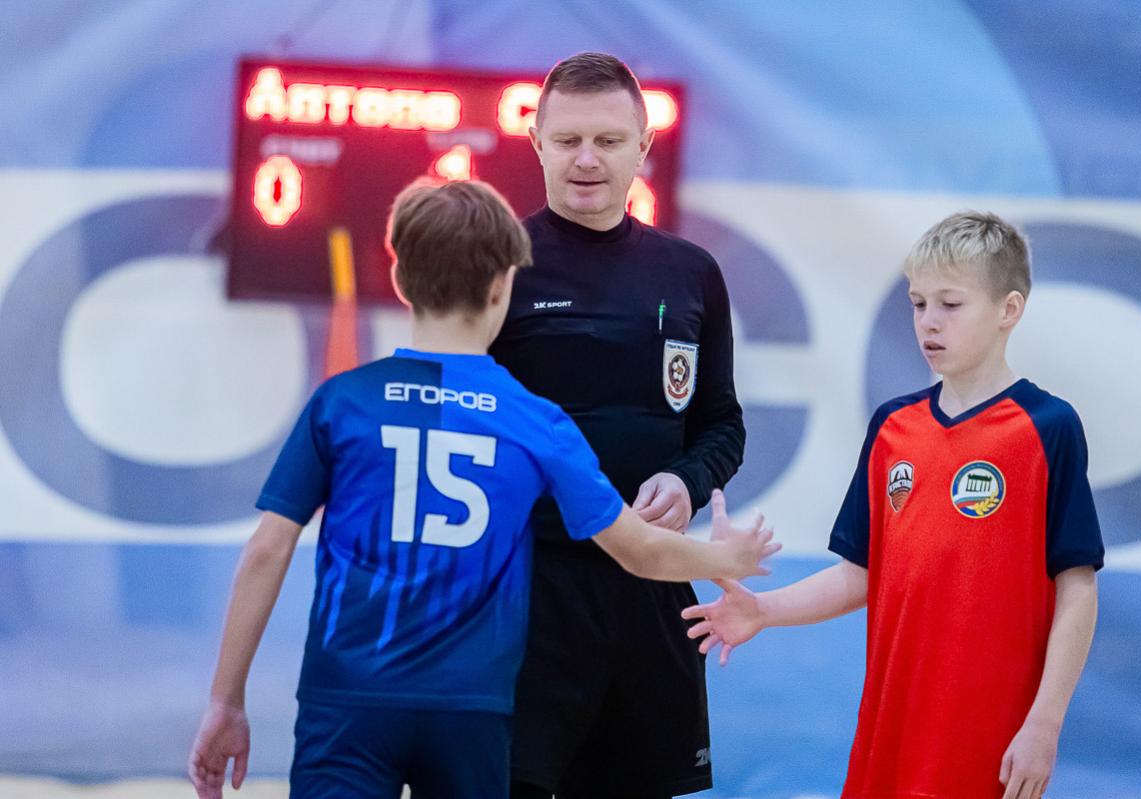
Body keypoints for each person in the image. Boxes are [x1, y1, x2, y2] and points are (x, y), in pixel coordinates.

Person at [187, 178, 779, 799]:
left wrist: (226, 702)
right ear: (503, 287)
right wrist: (725, 557)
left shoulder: (343, 403)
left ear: (398, 278)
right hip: (472, 706)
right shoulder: (536, 421)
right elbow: (638, 549)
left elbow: (266, 551)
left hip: (350, 697)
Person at [683, 211, 1105, 799]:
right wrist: (762, 610)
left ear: (1008, 310)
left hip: (990, 737)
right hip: (891, 730)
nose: (928, 321)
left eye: (950, 304)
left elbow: (1077, 587)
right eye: (918, 303)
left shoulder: (1047, 427)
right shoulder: (893, 427)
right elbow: (860, 574)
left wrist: (1045, 722)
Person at [489, 52, 746, 798]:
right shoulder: (496, 266)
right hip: (526, 595)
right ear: (535, 143)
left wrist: (686, 479)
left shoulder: (691, 272)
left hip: (652, 592)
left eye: (607, 140)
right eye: (567, 140)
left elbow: (722, 424)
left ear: (643, 146)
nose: (587, 159)